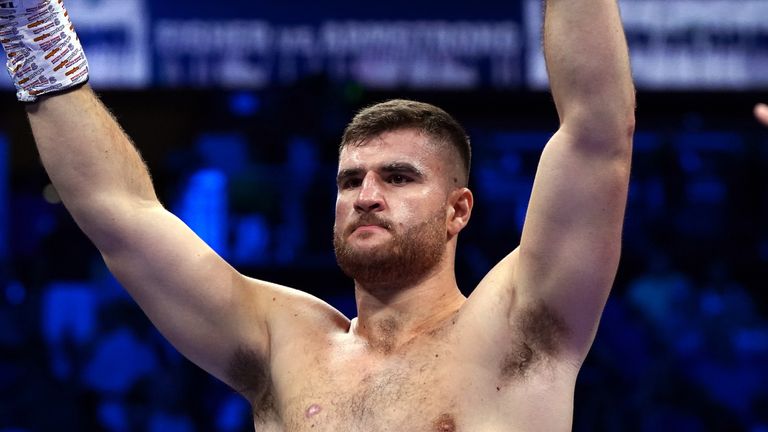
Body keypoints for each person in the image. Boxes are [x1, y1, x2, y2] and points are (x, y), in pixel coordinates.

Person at [2, 0, 634, 430]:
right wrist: (28, 17)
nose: (365, 194)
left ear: (457, 209)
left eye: (398, 177)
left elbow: (597, 131)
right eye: (350, 180)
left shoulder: (520, 325)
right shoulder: (283, 344)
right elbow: (119, 214)